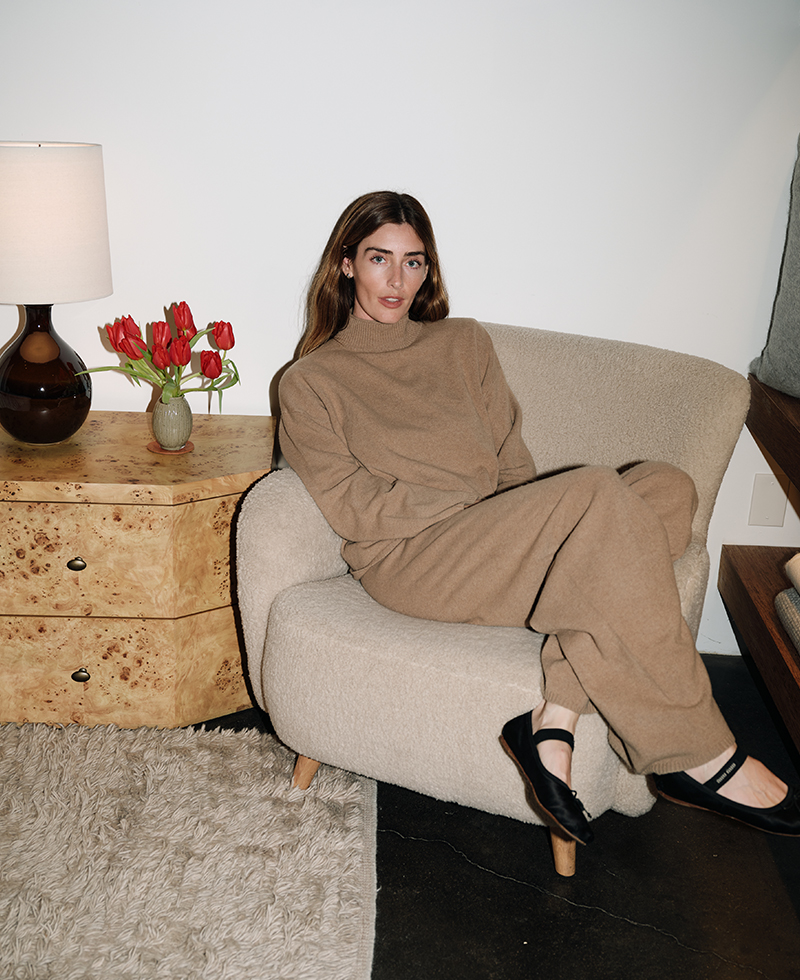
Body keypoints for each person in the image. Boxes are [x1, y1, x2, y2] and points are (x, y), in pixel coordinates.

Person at [278, 190, 800, 845]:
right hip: (407, 559)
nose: (397, 279)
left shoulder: (463, 344)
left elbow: (512, 462)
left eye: (414, 262)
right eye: (379, 259)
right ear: (347, 264)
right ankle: (695, 751)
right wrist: (466, 498)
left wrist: (516, 517)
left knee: (665, 486)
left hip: (487, 537)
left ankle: (553, 716)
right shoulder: (310, 382)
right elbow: (354, 507)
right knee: (595, 495)